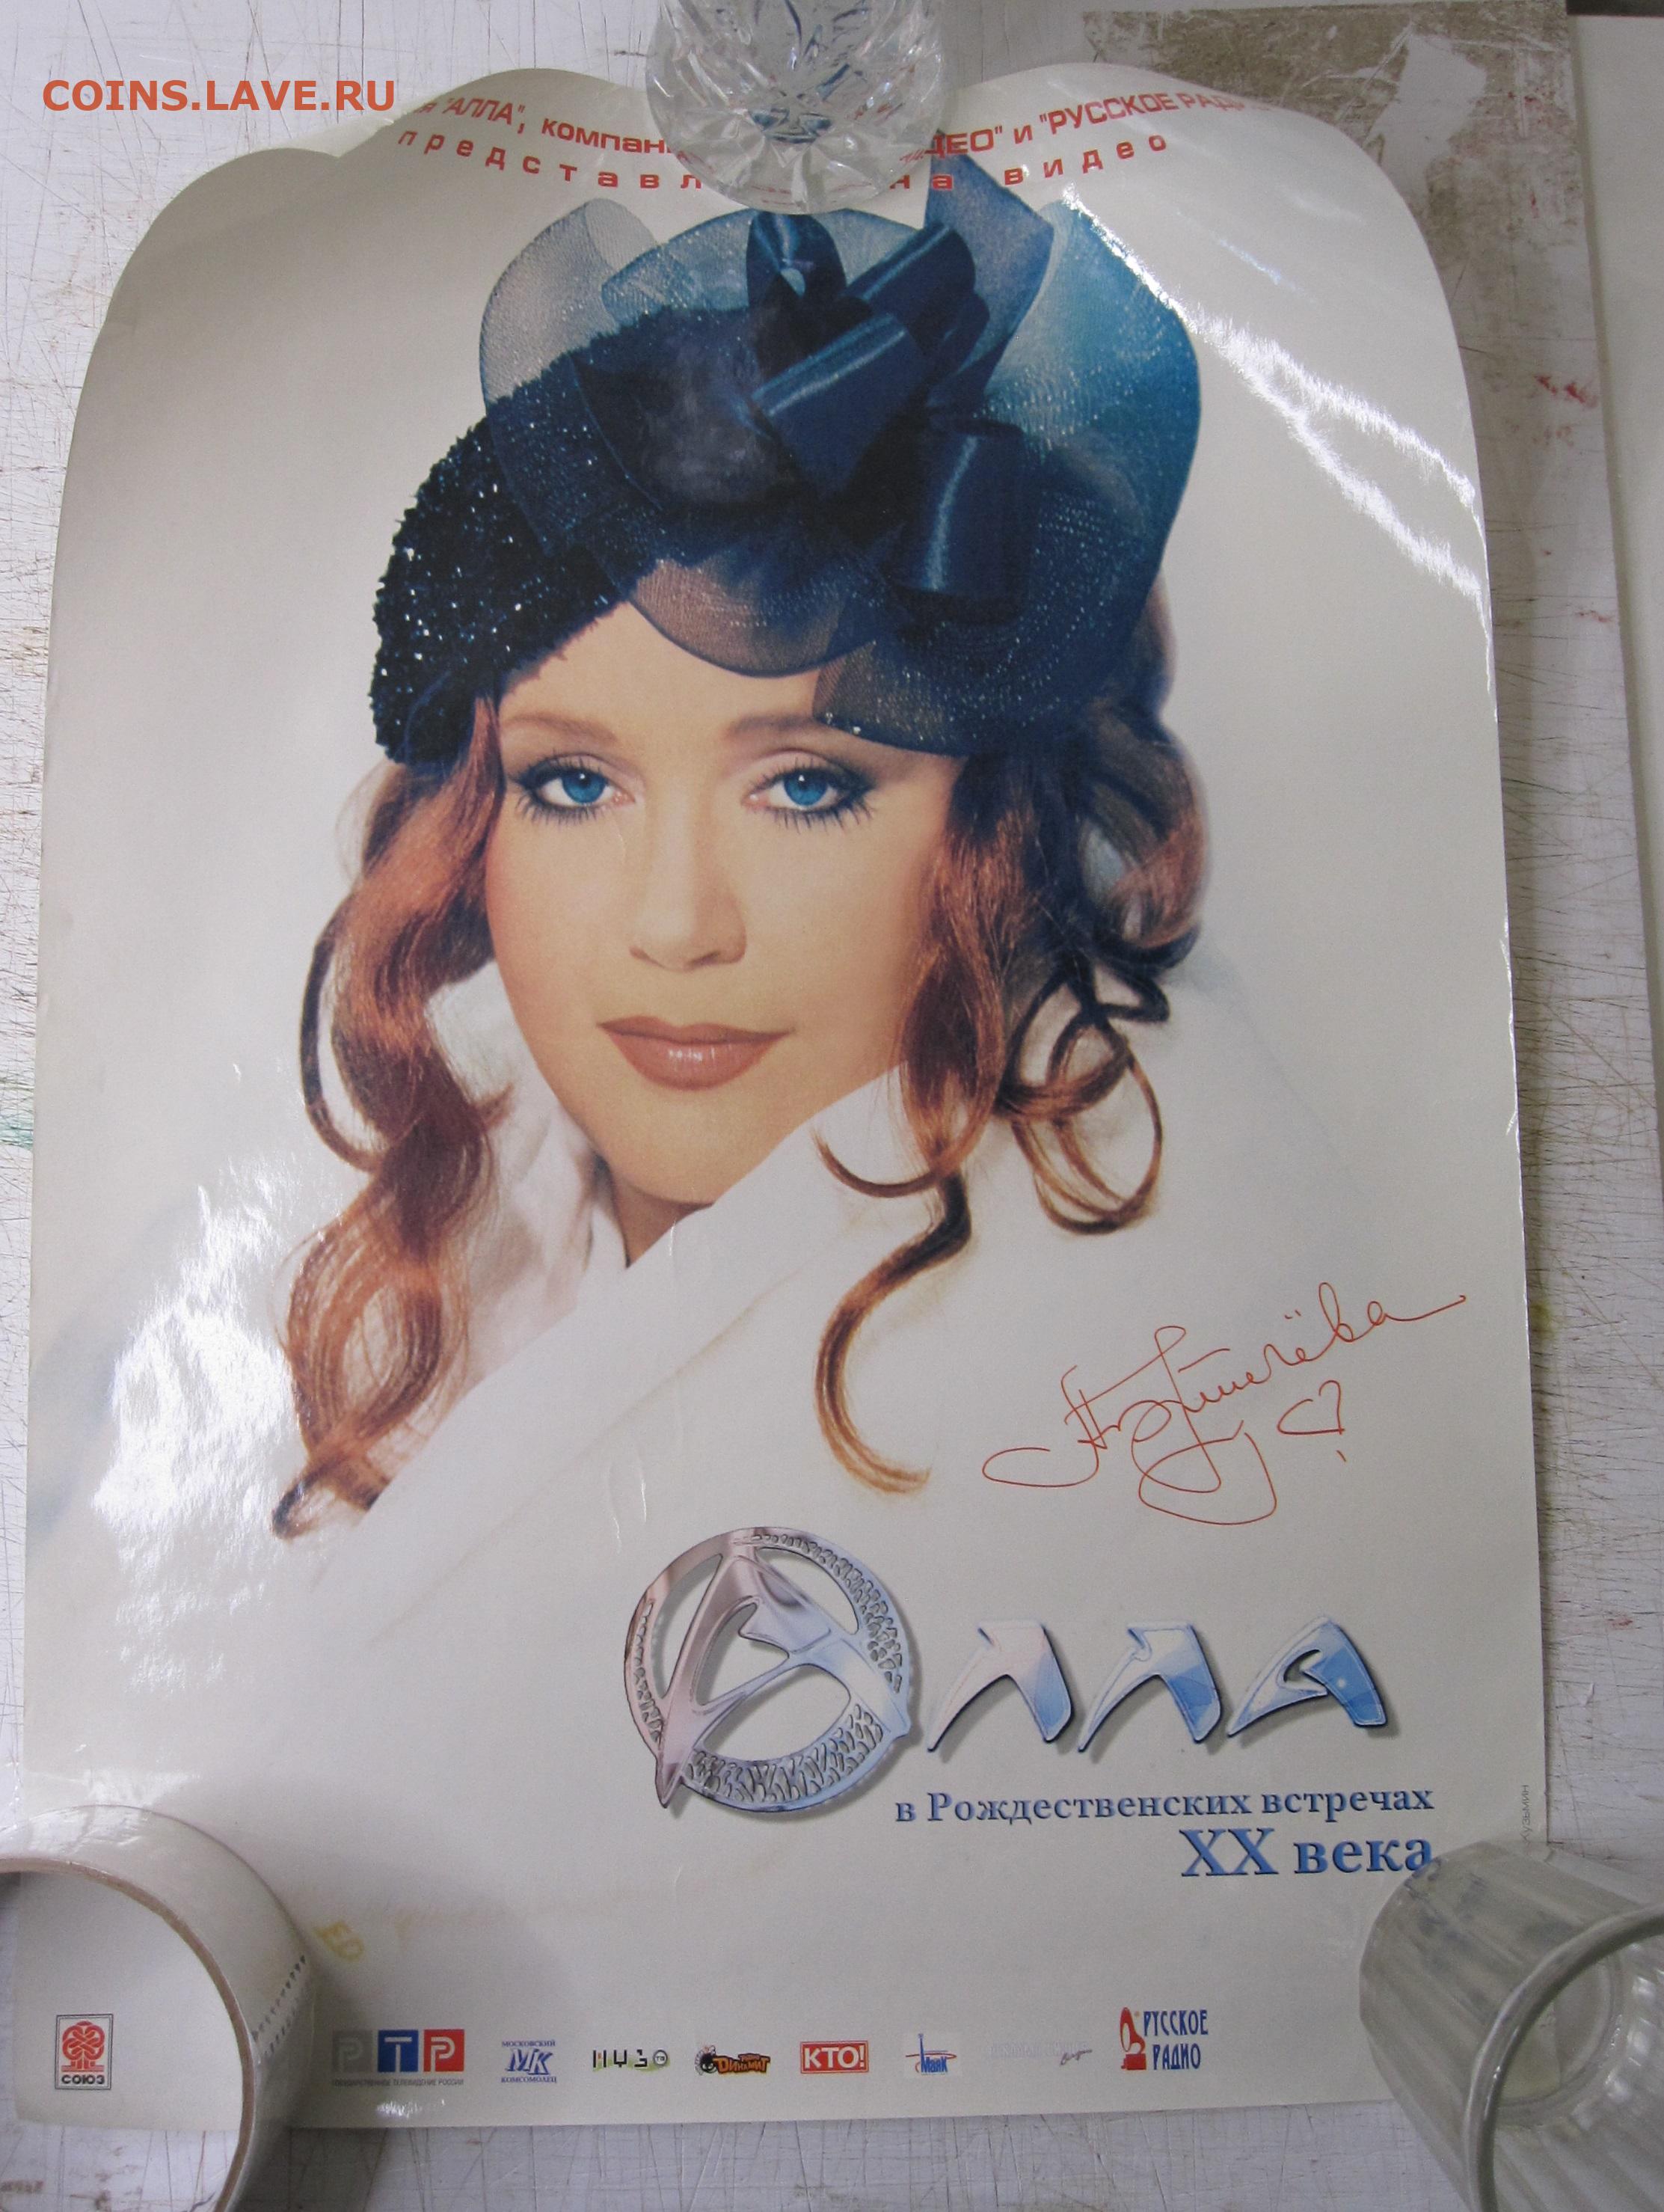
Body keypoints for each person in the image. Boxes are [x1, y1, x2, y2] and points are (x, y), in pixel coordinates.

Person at [274, 156, 1203, 1536]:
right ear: (468, 834)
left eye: (806, 787)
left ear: (994, 836)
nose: (677, 923)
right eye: (574, 783)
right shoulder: (440, 1293)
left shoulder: (1120, 1370)